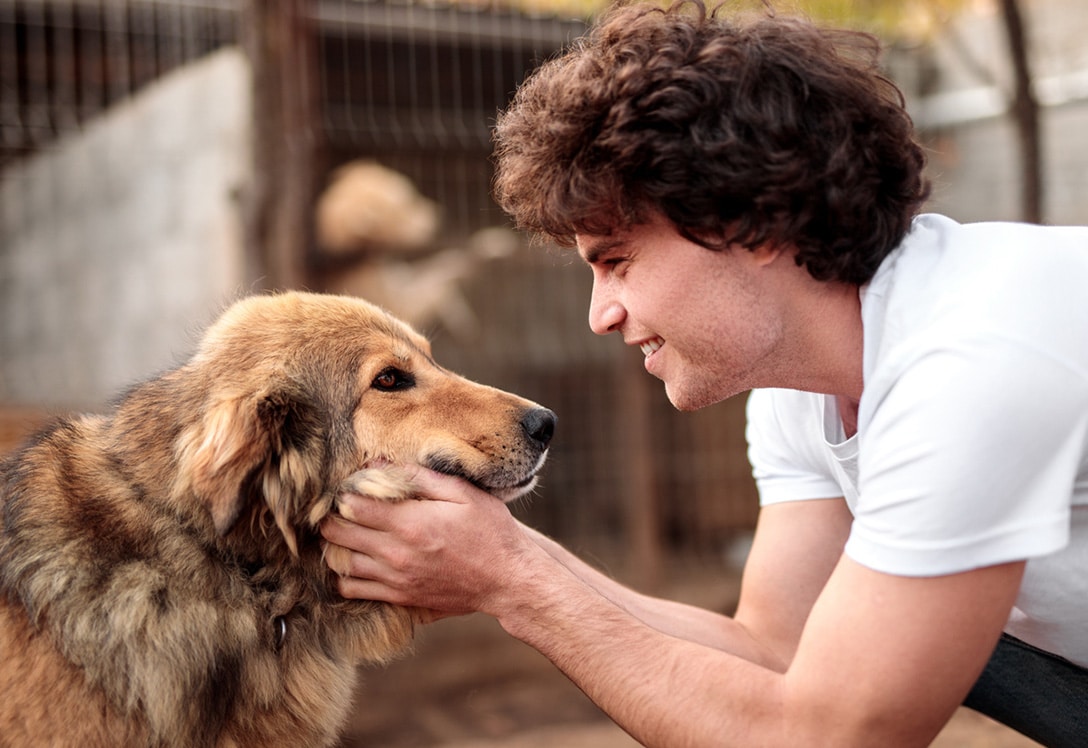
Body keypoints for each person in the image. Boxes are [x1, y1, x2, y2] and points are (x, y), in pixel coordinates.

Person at [320, 1, 1088, 745]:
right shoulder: (806, 381)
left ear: (750, 221)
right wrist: (504, 551)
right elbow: (771, 652)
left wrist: (513, 582)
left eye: (617, 262)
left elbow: (830, 736)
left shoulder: (969, 360)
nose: (601, 315)